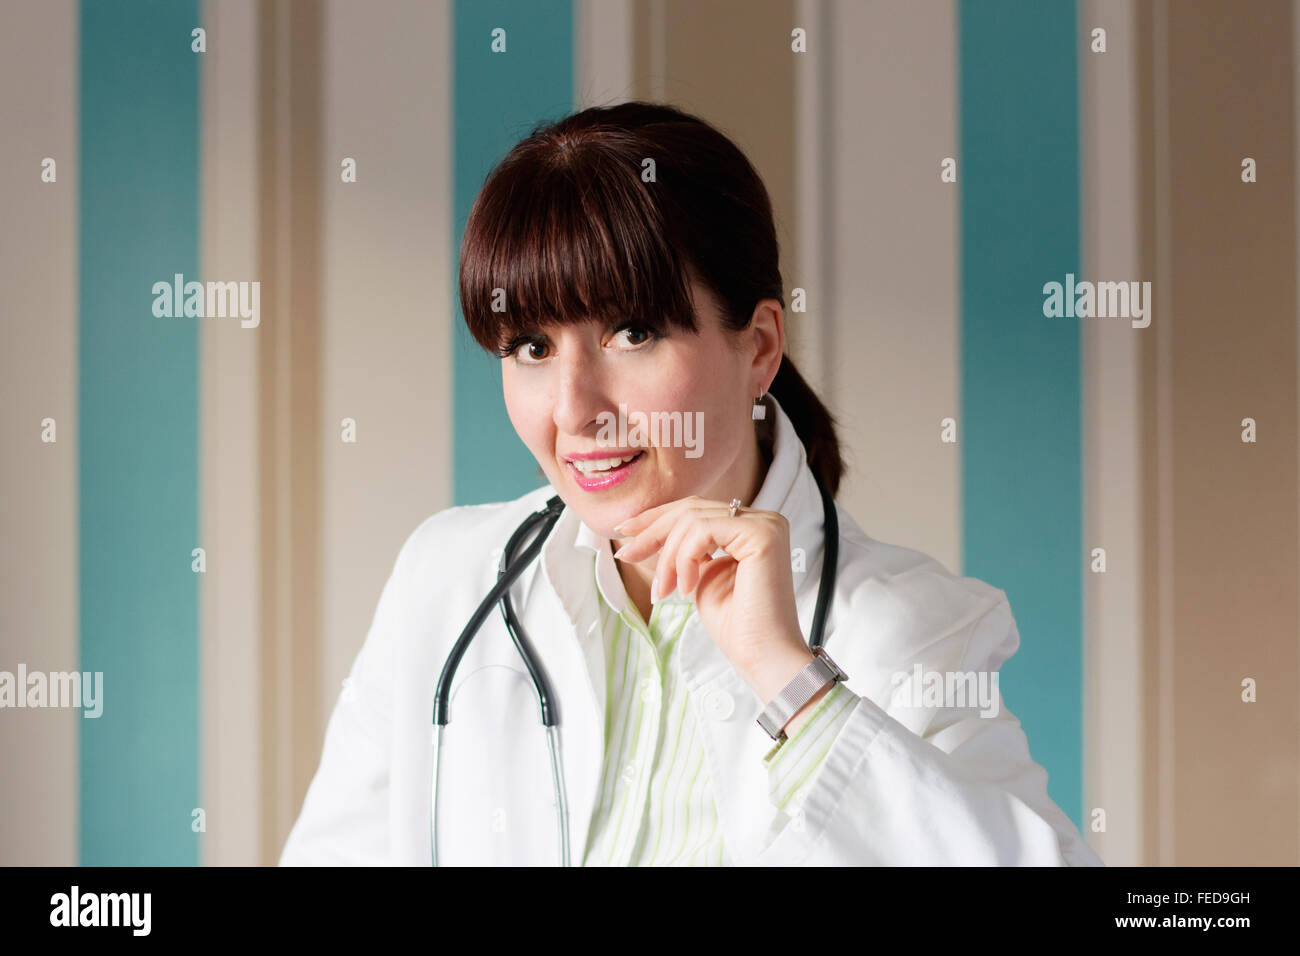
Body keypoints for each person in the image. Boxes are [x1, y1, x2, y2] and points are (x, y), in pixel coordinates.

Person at [279, 101, 1102, 866]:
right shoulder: (448, 582)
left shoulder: (910, 626)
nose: (574, 410)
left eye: (632, 333)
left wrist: (794, 684)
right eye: (531, 347)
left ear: (759, 347)